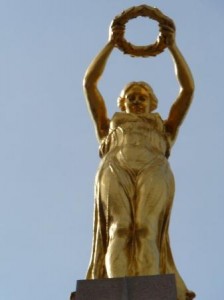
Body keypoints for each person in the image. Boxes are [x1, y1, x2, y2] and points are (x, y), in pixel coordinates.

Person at [83, 13, 195, 300]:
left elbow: (187, 89)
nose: (136, 100)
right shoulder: (108, 126)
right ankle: (112, 289)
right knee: (119, 230)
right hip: (115, 168)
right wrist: (111, 44)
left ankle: (150, 289)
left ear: (151, 102)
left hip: (153, 168)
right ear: (122, 102)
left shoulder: (165, 127)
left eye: (141, 96)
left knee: (146, 229)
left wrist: (172, 47)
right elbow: (89, 84)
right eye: (130, 96)